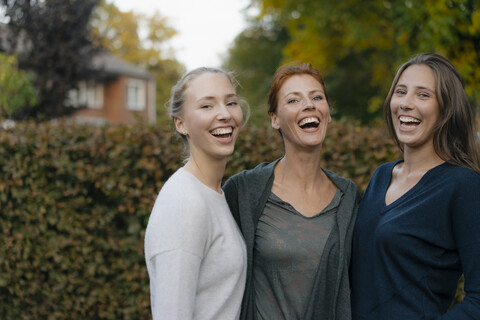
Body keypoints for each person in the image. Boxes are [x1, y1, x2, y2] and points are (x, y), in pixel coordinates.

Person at [223, 62, 361, 320]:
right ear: (275, 119)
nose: (309, 105)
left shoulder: (349, 198)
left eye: (317, 97)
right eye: (293, 100)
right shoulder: (243, 191)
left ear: (328, 113)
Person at [351, 53, 480, 319]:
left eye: (423, 95)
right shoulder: (380, 176)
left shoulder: (462, 186)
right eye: (401, 92)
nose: (406, 103)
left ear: (446, 108)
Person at [144, 67, 248, 320]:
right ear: (181, 124)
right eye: (207, 106)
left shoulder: (213, 194)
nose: (224, 114)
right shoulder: (184, 202)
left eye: (231, 102)